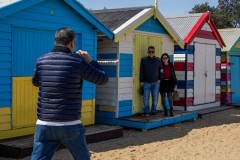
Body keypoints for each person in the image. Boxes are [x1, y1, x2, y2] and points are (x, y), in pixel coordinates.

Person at [31, 28, 108, 160]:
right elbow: (102, 79)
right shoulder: (77, 62)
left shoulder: (41, 60)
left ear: (55, 42)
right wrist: (89, 60)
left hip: (44, 123)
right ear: (72, 43)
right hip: (69, 123)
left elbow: (36, 82)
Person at [140, 46, 163, 116]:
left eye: (152, 51)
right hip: (146, 82)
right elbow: (141, 71)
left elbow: (161, 70)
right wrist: (141, 81)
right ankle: (146, 111)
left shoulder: (158, 60)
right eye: (149, 51)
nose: (151, 53)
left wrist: (160, 79)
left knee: (155, 98)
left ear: (154, 52)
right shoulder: (144, 60)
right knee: (146, 98)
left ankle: (153, 111)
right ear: (147, 52)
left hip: (156, 82)